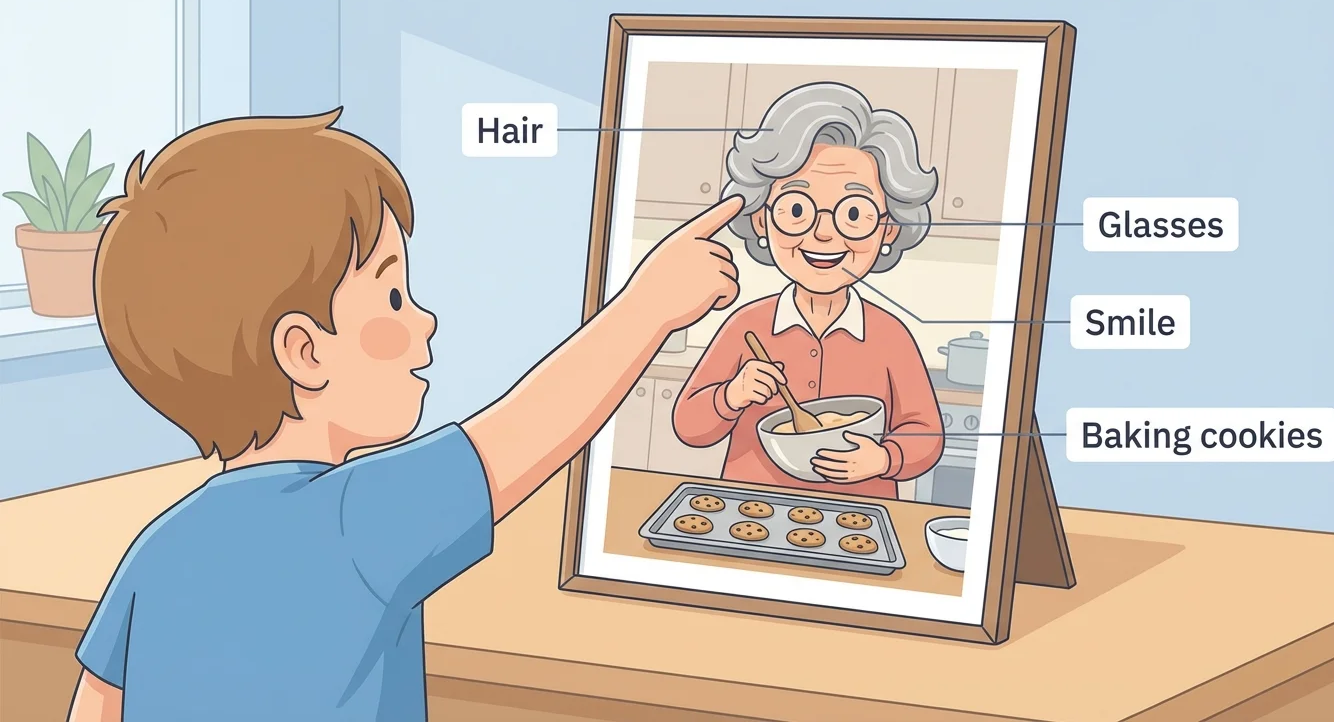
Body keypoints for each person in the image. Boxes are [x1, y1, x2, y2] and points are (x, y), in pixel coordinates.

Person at [66, 109, 744, 722]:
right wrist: (651, 306)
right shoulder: (356, 520)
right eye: (392, 296)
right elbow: (530, 427)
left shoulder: (159, 549)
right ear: (304, 351)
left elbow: (97, 707)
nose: (424, 320)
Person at [673, 82, 945, 500]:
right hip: (751, 508)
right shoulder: (748, 326)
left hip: (863, 516)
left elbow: (926, 434)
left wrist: (885, 459)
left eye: (854, 213)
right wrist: (731, 395)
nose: (823, 234)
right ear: (762, 221)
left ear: (888, 229)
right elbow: (689, 426)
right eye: (796, 209)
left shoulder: (890, 336)